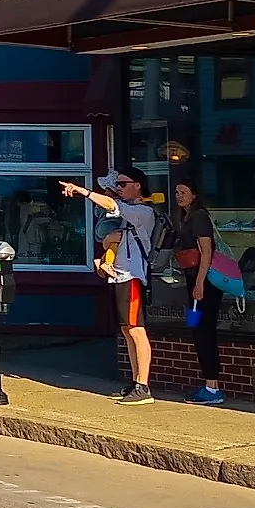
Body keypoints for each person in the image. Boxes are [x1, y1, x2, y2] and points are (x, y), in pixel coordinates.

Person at [61, 171, 159, 404]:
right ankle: (137, 381)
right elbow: (109, 232)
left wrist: (83, 191)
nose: (118, 187)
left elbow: (111, 204)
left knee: (136, 329)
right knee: (127, 330)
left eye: (123, 184)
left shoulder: (143, 212)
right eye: (117, 184)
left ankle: (143, 385)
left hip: (132, 276)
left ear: (137, 185)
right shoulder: (127, 213)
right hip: (118, 276)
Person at [167, 176, 224, 405]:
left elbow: (206, 251)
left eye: (183, 191)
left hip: (205, 284)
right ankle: (209, 384)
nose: (179, 195)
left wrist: (199, 283)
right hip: (194, 282)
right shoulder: (186, 217)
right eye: (177, 192)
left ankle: (213, 388)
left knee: (203, 332)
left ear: (194, 194)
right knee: (196, 328)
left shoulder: (199, 217)